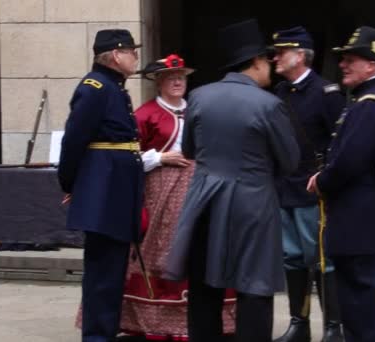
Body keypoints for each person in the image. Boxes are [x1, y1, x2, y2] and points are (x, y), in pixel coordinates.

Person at [163, 19, 300, 342]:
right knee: (254, 287)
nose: (270, 67)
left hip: (204, 199)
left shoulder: (199, 97)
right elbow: (290, 161)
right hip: (252, 203)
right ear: (255, 62)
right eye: (267, 60)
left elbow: (190, 150)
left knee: (204, 284)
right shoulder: (269, 105)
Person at [118, 54, 236, 340]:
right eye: (171, 78)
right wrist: (160, 157)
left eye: (181, 77)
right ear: (159, 82)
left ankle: (209, 316)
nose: (177, 82)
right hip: (161, 193)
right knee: (165, 247)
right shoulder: (146, 114)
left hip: (201, 189)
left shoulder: (200, 109)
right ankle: (156, 315)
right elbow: (128, 157)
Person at [307, 26, 375, 342]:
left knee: (362, 310)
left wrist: (322, 180)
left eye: (351, 59)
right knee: (357, 308)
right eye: (344, 59)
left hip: (360, 220)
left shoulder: (371, 102)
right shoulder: (367, 99)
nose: (343, 65)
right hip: (360, 221)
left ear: (371, 64)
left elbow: (350, 161)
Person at [57, 29, 144, 342]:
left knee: (111, 273)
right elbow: (74, 140)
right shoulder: (95, 87)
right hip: (104, 192)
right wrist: (70, 182)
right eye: (132, 51)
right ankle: (97, 337)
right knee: (102, 276)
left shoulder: (113, 87)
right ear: (117, 54)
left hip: (116, 191)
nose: (136, 57)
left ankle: (104, 333)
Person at [271, 26, 346, 342]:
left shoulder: (326, 93)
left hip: (313, 191)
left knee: (322, 260)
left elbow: (341, 141)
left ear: (300, 55)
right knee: (291, 258)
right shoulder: (280, 93)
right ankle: (299, 324)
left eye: (281, 52)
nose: (274, 58)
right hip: (285, 187)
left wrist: (327, 177)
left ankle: (333, 328)